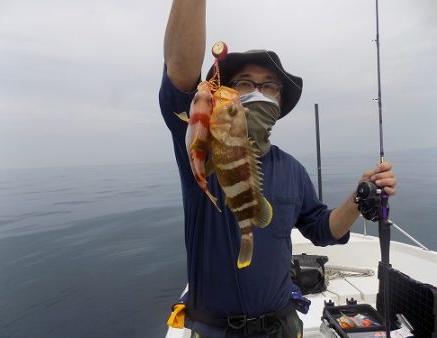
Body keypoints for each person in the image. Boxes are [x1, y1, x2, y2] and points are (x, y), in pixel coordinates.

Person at [159, 1, 397, 337]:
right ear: (224, 94)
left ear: (280, 102)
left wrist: (360, 197)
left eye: (268, 86)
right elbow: (181, 73)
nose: (257, 91)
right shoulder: (202, 148)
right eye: (244, 82)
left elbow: (323, 229)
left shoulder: (293, 170)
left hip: (284, 326)